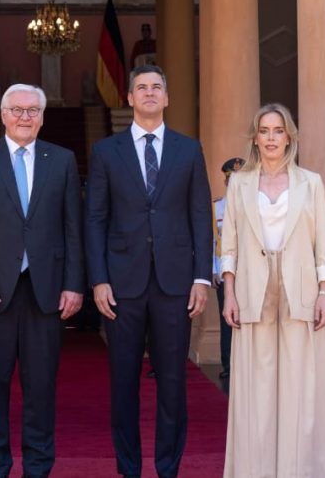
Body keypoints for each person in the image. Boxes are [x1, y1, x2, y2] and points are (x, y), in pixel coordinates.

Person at [86, 64, 212, 478]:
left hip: (176, 283)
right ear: (129, 98)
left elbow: (199, 216)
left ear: (167, 97)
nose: (150, 93)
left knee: (173, 384)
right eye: (141, 87)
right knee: (123, 384)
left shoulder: (189, 150)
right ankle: (128, 468)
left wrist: (201, 277)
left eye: (157, 86)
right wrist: (99, 279)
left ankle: (168, 468)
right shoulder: (106, 152)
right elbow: (96, 219)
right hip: (122, 284)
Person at [0, 83, 84, 478]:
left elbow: (73, 227)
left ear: (42, 117)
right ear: (3, 115)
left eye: (32, 110)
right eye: (17, 109)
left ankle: (38, 468)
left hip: (45, 294)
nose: (25, 116)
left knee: (40, 388)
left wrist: (74, 283)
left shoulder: (61, 160)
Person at [219, 103, 325, 478]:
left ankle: (301, 469)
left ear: (289, 136)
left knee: (301, 388)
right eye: (264, 131)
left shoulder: (311, 182)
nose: (271, 138)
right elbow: (230, 244)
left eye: (278, 130)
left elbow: (323, 239)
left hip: (301, 292)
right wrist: (229, 292)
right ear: (254, 138)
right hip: (252, 292)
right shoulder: (240, 183)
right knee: (255, 390)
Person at [213, 157, 245, 380]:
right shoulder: (216, 208)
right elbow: (212, 242)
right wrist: (213, 269)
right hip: (225, 272)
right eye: (231, 179)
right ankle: (229, 364)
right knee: (227, 321)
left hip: (250, 273)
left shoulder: (255, 205)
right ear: (226, 182)